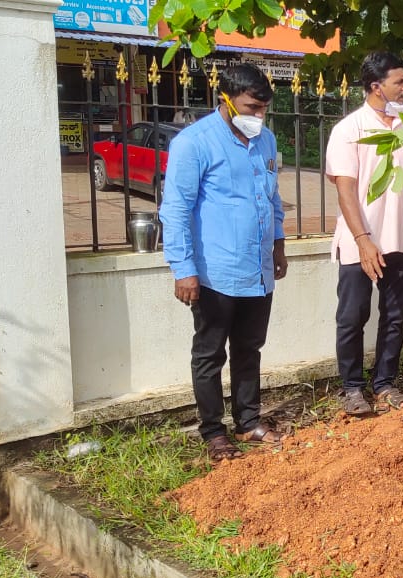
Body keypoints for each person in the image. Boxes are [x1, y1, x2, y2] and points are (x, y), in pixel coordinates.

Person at [159, 64, 287, 462]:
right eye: (251, 108)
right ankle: (214, 432)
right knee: (210, 353)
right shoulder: (193, 143)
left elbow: (272, 197)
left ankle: (248, 421)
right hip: (215, 272)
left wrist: (278, 246)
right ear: (225, 100)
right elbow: (175, 210)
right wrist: (183, 269)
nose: (258, 116)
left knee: (250, 349)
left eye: (263, 109)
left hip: (257, 270)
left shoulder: (266, 140)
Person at [325, 51, 403, 416]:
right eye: (399, 81)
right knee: (352, 317)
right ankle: (353, 389)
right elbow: (346, 191)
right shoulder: (349, 130)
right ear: (376, 87)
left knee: (394, 317)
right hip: (361, 241)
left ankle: (385, 383)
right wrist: (363, 240)